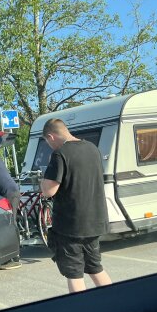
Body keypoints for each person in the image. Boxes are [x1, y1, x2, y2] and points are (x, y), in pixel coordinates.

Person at [40, 118, 112, 293]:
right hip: (95, 221)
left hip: (71, 226)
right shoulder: (92, 149)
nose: (49, 145)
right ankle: (115, 302)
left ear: (51, 136)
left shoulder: (60, 154)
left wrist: (42, 182)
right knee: (95, 267)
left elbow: (49, 191)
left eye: (47, 142)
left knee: (74, 274)